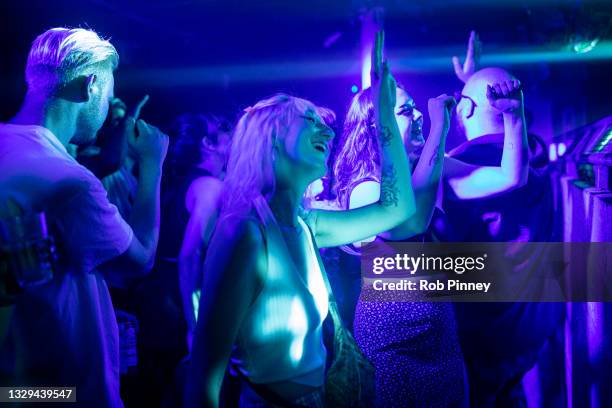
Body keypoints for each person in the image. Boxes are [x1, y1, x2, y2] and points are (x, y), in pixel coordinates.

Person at [185, 31, 416, 407]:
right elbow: (204, 374)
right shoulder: (244, 232)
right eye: (309, 120)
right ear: (272, 137)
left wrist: (385, 113)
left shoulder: (308, 225)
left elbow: (396, 208)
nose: (327, 128)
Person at [0, 27, 168, 407]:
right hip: (63, 394)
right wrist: (153, 165)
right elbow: (140, 260)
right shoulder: (70, 180)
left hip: (15, 389)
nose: (108, 110)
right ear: (89, 86)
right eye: (108, 97)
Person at [446, 32, 564, 406]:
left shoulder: (458, 170)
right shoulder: (539, 163)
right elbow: (511, 149)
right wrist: (475, 85)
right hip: (529, 334)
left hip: (478, 342)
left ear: (464, 110)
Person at [331, 82, 466, 407]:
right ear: (380, 127)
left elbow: (509, 177)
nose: (419, 114)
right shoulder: (365, 189)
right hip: (395, 341)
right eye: (406, 111)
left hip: (441, 335)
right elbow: (413, 220)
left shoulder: (423, 171)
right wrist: (439, 129)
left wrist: (512, 115)